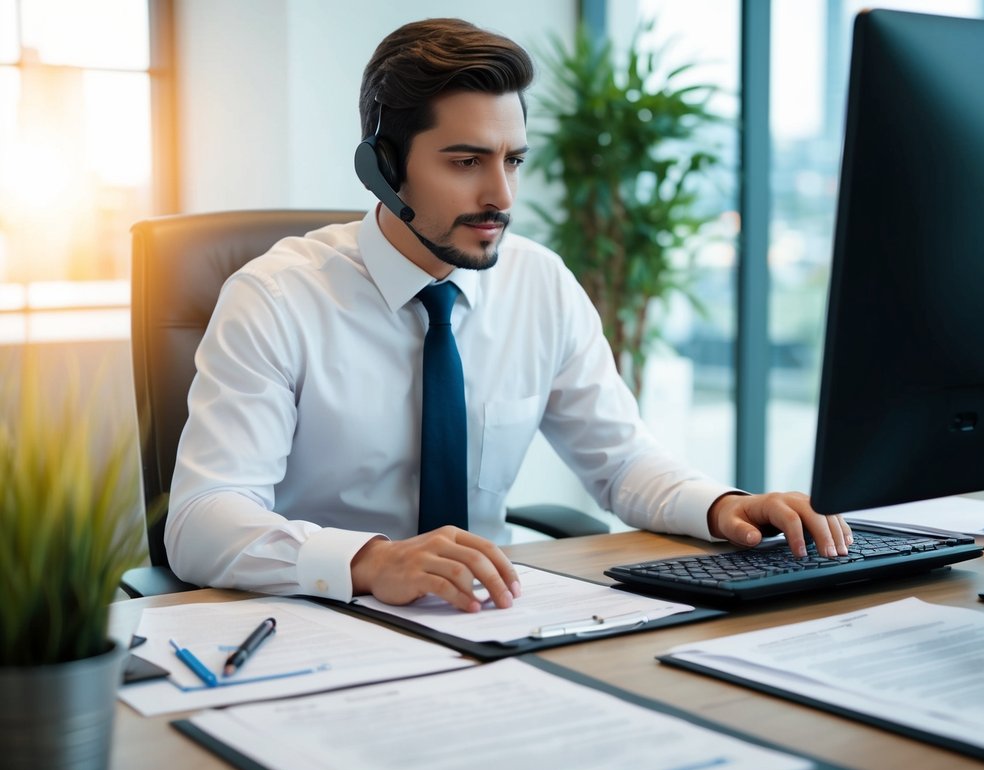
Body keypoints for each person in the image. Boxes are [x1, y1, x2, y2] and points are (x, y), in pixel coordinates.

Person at [166, 17, 851, 614]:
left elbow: (621, 461)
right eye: (465, 162)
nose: (500, 195)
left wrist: (719, 506)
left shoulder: (539, 282)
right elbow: (202, 522)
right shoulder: (277, 297)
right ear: (382, 168)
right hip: (322, 621)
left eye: (512, 160)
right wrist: (372, 562)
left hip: (490, 613)